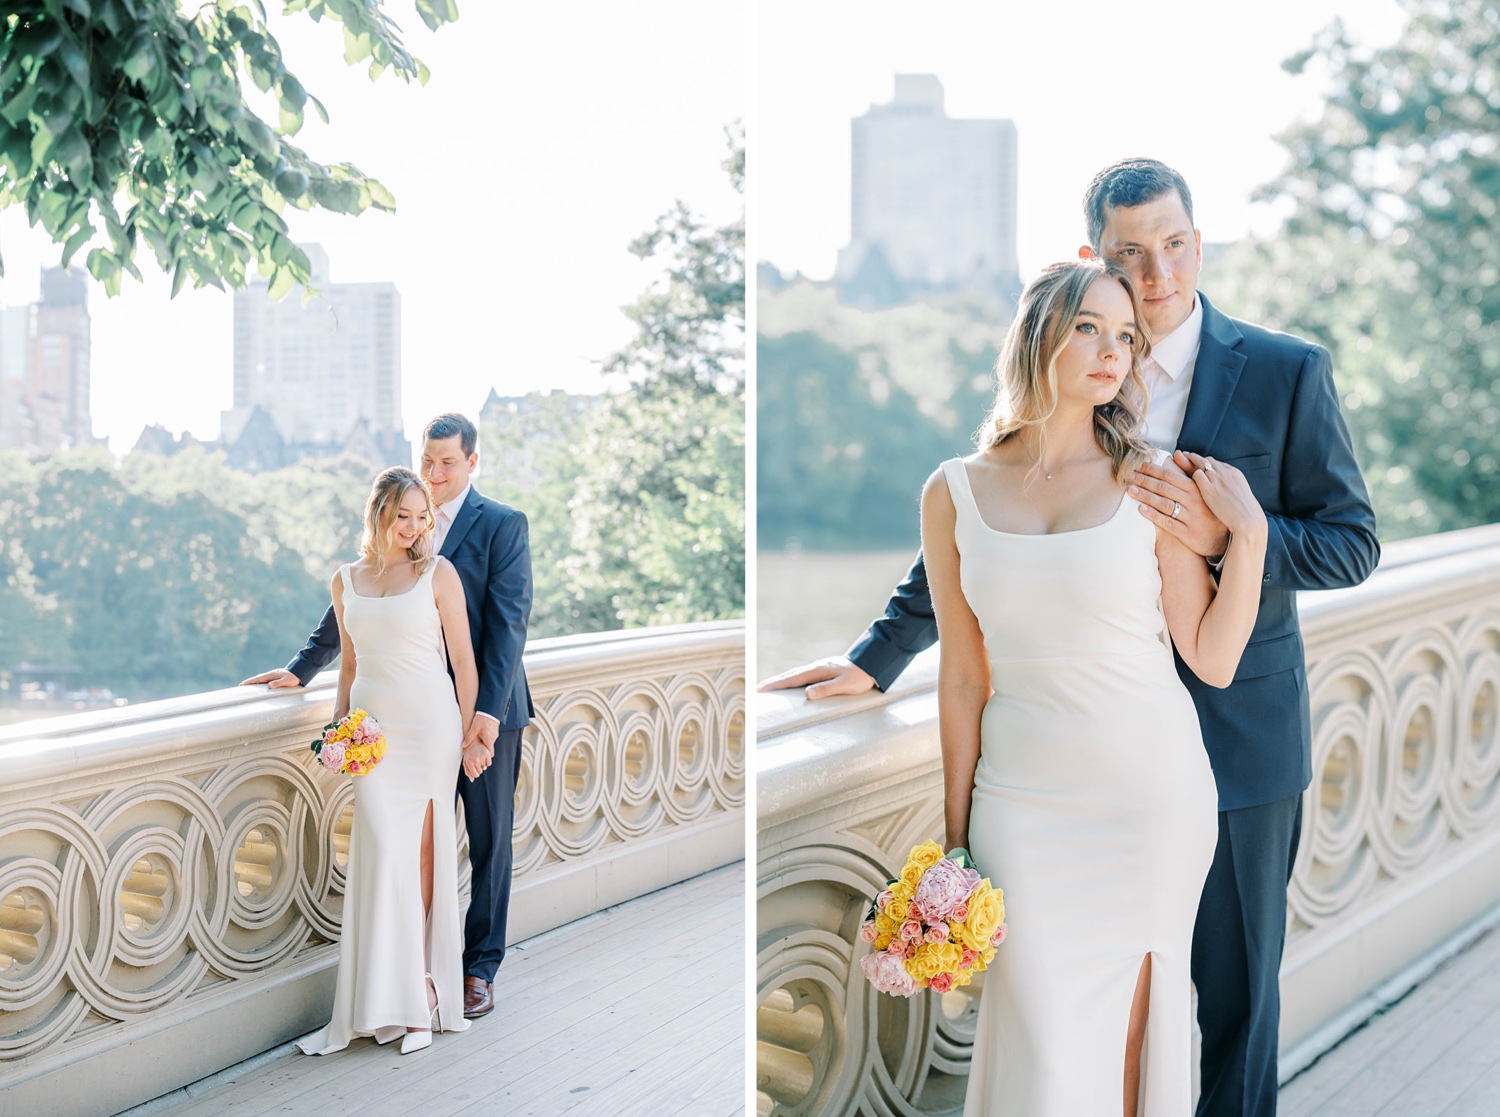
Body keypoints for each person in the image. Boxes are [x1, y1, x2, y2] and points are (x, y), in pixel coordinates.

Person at [761, 159, 1380, 1116]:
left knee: (1234, 1005)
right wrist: (876, 656)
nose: (1158, 270)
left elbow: (1351, 543)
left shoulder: (1287, 371)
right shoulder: (1000, 456)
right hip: (1047, 778)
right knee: (1054, 1041)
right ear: (1096, 261)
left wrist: (1233, 532)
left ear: (1198, 243)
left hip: (1233, 743)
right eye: (1131, 255)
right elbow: (988, 554)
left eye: (1174, 245)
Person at [926, 257, 1263, 1113]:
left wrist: (1249, 539)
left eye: (1126, 336)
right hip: (1021, 810)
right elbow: (963, 676)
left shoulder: (1150, 479)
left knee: (1127, 1054)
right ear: (1039, 333)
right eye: (1090, 328)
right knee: (1042, 1056)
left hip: (1147, 801)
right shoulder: (951, 492)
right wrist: (955, 837)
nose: (1114, 351)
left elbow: (1211, 657)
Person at [245, 413, 533, 1020]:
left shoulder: (502, 525)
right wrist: (302, 669)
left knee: (487, 844)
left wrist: (483, 716)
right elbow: (355, 611)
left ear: (472, 463)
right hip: (396, 721)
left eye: (448, 463)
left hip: (484, 713)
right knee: (408, 846)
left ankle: (477, 970)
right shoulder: (396, 527)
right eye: (427, 460)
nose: (434, 473)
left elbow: (507, 628)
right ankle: (408, 971)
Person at [296, 466, 484, 1056]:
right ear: (377, 512)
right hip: (371, 734)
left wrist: (473, 736)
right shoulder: (345, 579)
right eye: (402, 515)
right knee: (383, 851)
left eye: (421, 516)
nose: (413, 527)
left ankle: (424, 990)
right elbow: (349, 666)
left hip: (429, 726)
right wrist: (337, 731)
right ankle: (390, 994)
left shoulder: (438, 573)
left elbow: (465, 664)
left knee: (421, 856)